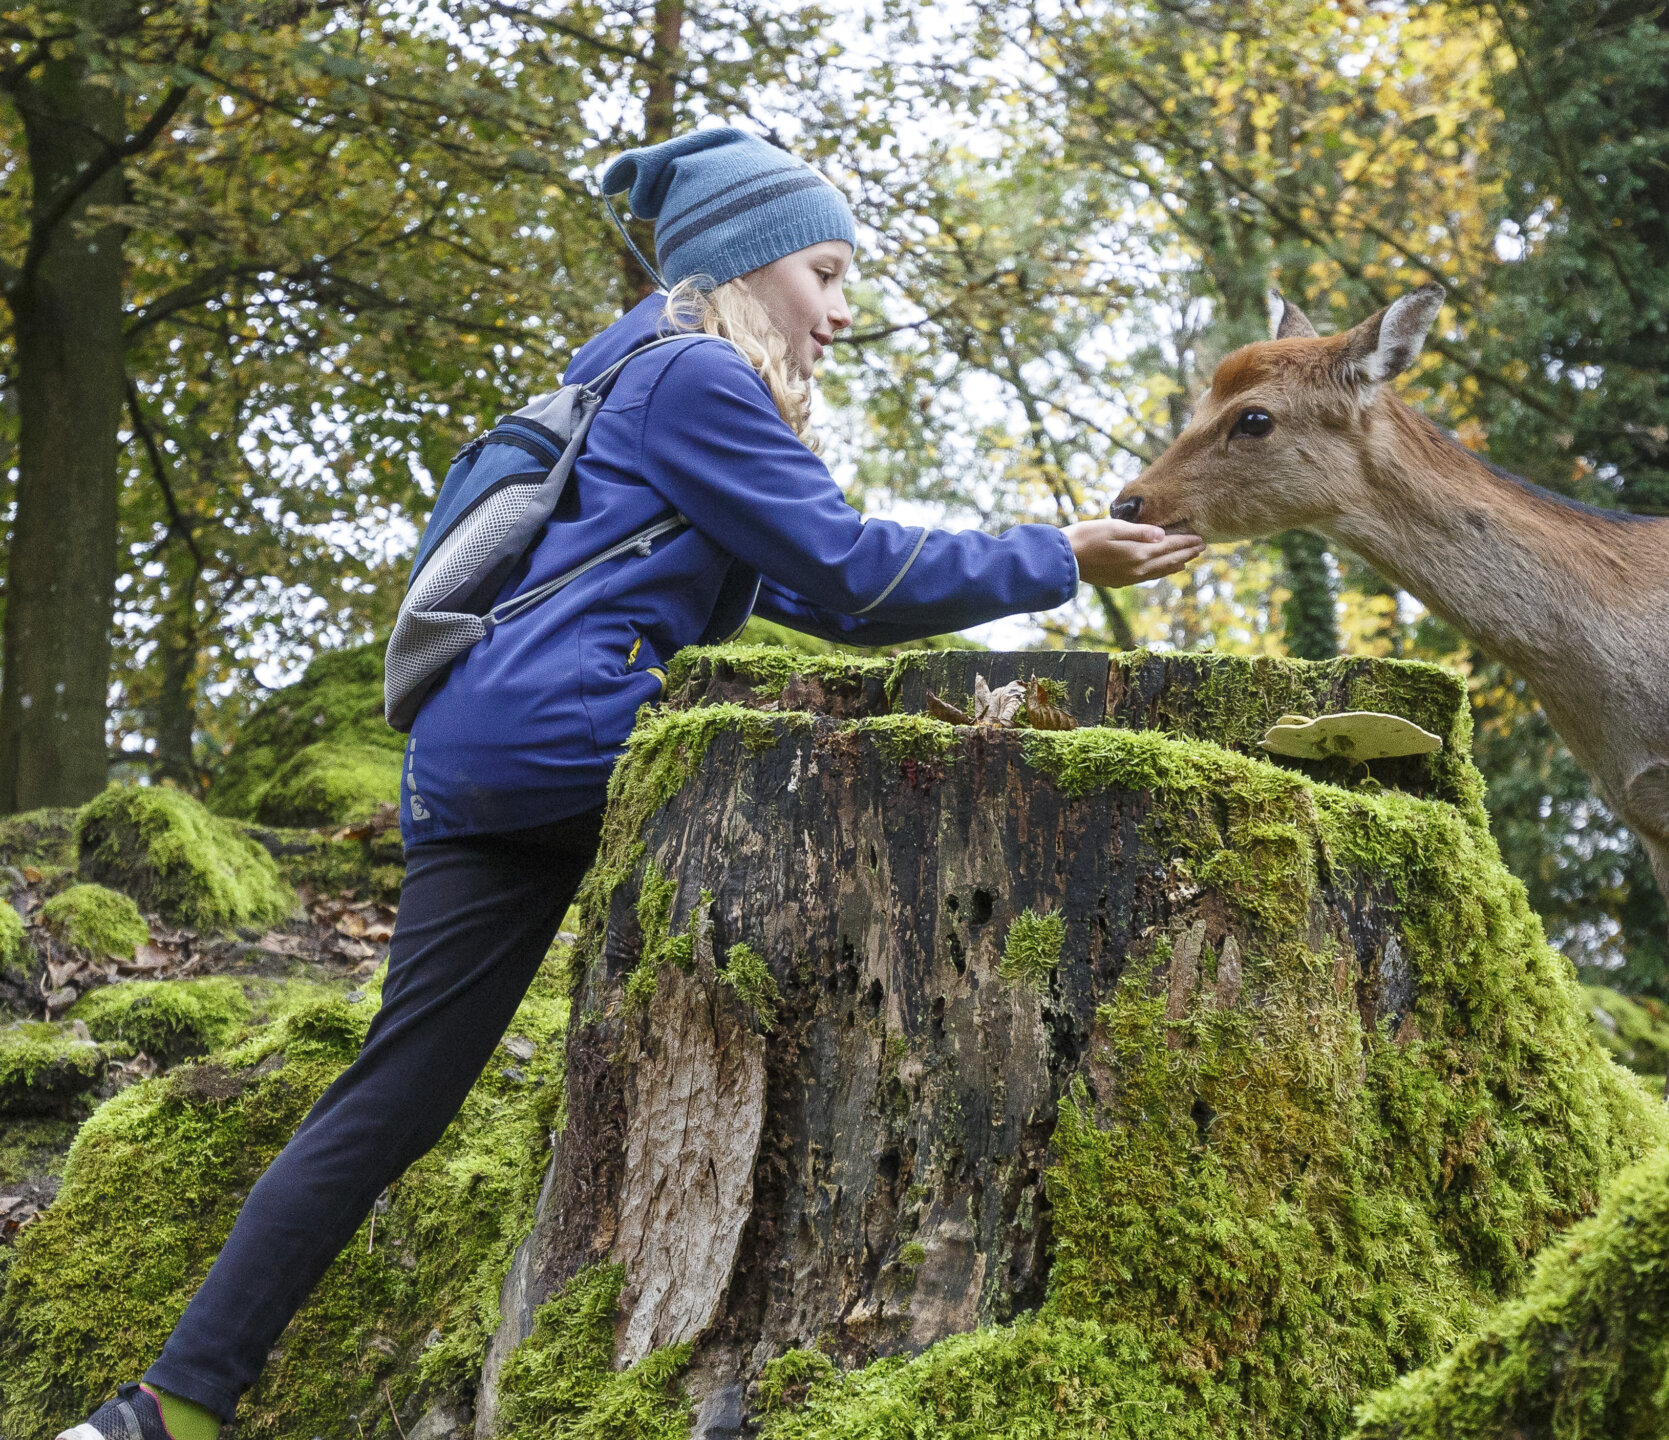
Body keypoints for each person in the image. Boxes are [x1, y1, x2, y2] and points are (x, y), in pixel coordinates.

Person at [57, 127, 1203, 1440]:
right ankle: (774, 1345)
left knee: (392, 1098)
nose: (841, 312)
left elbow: (813, 595)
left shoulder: (630, 385)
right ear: (749, 263)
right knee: (826, 828)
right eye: (826, 273)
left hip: (475, 757)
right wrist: (1055, 555)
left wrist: (1016, 573)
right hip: (572, 738)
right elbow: (853, 568)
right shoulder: (697, 378)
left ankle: (165, 1409)